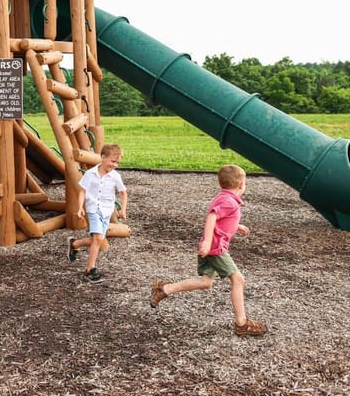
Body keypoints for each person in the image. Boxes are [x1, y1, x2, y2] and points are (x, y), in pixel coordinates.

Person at [149, 164, 267, 336]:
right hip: (216, 248)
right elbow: (212, 216)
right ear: (241, 184)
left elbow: (221, 220)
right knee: (238, 280)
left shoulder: (224, 197)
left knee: (206, 282)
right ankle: (241, 323)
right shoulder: (229, 202)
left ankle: (165, 289)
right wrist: (208, 242)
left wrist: (236, 226)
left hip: (211, 246)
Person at [64, 143, 128, 284]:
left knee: (96, 240)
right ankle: (89, 270)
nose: (115, 165)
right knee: (98, 239)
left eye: (117, 162)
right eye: (113, 161)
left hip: (106, 210)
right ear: (103, 157)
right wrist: (80, 207)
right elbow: (82, 191)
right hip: (93, 209)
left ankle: (74, 244)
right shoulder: (90, 174)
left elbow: (123, 193)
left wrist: (123, 209)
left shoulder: (115, 176)